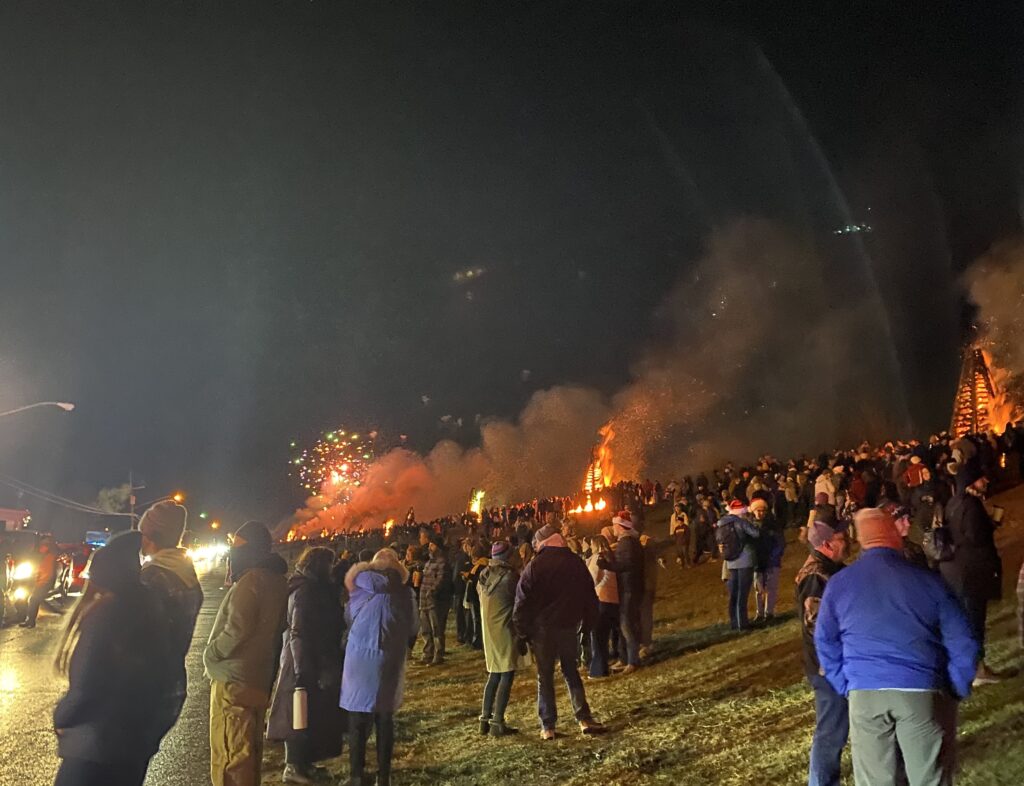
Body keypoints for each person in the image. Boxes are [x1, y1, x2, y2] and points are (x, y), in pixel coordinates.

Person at [815, 508, 978, 786]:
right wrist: (956, 687)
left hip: (865, 693)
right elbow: (963, 640)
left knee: (875, 780)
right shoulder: (927, 581)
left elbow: (825, 639)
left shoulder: (840, 584)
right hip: (919, 689)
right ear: (893, 535)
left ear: (862, 539)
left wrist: (845, 683)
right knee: (929, 778)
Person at [52, 530, 170, 786]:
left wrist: (61, 718)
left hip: (92, 748)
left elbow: (85, 687)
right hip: (132, 746)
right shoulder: (150, 609)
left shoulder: (104, 615)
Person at [204, 521, 289, 786]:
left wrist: (212, 653)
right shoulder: (277, 580)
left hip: (234, 680)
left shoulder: (252, 580)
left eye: (238, 546)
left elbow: (237, 628)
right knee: (248, 750)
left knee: (231, 753)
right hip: (258, 676)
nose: (233, 552)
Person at [513, 524, 604, 740]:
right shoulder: (574, 562)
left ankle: (548, 726)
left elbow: (521, 601)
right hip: (568, 626)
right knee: (570, 671)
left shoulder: (534, 567)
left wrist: (522, 633)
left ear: (542, 542)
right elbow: (589, 595)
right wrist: (588, 624)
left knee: (544, 676)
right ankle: (583, 719)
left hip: (542, 631)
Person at [267, 546, 346, 785]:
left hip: (314, 660)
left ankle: (305, 764)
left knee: (310, 715)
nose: (332, 569)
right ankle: (293, 767)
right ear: (319, 565)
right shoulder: (305, 592)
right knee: (297, 715)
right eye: (329, 564)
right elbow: (298, 632)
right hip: (302, 662)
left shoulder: (314, 588)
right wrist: (302, 670)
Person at [340, 548, 418, 786]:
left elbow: (348, 618)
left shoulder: (358, 588)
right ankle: (383, 777)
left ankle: (356, 775)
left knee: (357, 720)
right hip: (389, 658)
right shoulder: (405, 594)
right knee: (384, 718)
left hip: (358, 660)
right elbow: (413, 627)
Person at [137, 501, 204, 749]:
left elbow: (136, 642)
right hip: (171, 685)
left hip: (145, 690)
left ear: (152, 536)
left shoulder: (153, 577)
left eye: (142, 533)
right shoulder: (186, 573)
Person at [796, 519, 850, 786]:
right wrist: (831, 666)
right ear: (827, 545)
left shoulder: (831, 568)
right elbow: (816, 627)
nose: (847, 542)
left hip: (836, 664)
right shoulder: (816, 577)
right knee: (832, 730)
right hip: (827, 668)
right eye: (841, 538)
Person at [939, 463, 1005, 685]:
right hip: (972, 573)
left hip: (958, 573)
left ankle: (974, 668)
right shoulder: (972, 505)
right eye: (980, 479)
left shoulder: (953, 503)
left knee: (967, 622)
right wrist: (991, 522)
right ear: (970, 483)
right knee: (974, 622)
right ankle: (978, 671)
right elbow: (976, 538)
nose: (985, 482)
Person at [476, 540, 528, 737]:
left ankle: (484, 719)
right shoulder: (509, 577)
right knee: (506, 673)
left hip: (489, 629)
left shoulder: (484, 574)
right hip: (505, 628)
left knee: (494, 674)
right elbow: (519, 602)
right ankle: (497, 721)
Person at [598, 511, 645, 672]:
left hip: (629, 588)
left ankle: (633, 660)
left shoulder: (627, 543)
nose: (613, 528)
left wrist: (606, 565)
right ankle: (624, 658)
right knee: (624, 623)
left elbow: (625, 566)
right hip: (628, 587)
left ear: (620, 526)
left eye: (614, 525)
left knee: (627, 625)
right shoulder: (628, 542)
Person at [716, 500, 760, 631]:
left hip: (730, 561)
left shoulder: (722, 523)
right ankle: (743, 624)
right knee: (742, 593)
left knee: (734, 593)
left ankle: (734, 623)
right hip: (744, 560)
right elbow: (756, 533)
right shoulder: (740, 522)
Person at [586, 534, 619, 679]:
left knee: (598, 636)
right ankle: (606, 664)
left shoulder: (597, 558)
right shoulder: (612, 556)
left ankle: (598, 670)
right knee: (606, 635)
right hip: (614, 599)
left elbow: (592, 578)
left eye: (592, 544)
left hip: (601, 597)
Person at [418, 535, 452, 665]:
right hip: (424, 601)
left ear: (437, 547)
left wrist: (432, 591)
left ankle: (438, 655)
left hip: (435, 601)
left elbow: (441, 580)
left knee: (436, 629)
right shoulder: (429, 562)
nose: (429, 547)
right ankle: (427, 654)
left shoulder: (442, 562)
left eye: (432, 545)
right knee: (426, 630)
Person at [750, 498, 785, 624]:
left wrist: (774, 556)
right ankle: (759, 613)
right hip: (757, 562)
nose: (760, 513)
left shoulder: (773, 524)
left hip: (771, 561)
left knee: (771, 588)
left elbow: (780, 543)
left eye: (762, 510)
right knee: (758, 589)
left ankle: (768, 613)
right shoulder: (750, 525)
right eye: (757, 511)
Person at [20, 536, 57, 628]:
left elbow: (48, 573)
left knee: (33, 600)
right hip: (41, 582)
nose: (42, 547)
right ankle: (29, 620)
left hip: (44, 583)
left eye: (44, 545)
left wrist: (41, 582)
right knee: (33, 600)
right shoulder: (43, 556)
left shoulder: (50, 557)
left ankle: (30, 621)